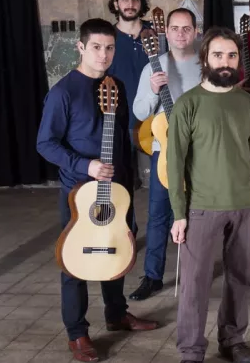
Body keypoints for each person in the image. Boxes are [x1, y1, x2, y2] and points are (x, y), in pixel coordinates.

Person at [37, 18, 159, 363]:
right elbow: (45, 143)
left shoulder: (115, 85)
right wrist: (85, 165)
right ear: (81, 47)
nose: (103, 55)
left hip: (116, 189)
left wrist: (127, 183)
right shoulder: (63, 92)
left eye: (109, 48)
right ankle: (77, 332)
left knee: (115, 249)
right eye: (96, 47)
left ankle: (116, 314)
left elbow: (121, 138)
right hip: (78, 192)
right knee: (74, 261)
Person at [168, 27, 250, 363]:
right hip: (201, 207)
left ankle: (232, 340)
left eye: (231, 55)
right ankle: (191, 350)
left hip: (246, 204)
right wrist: (179, 214)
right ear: (205, 59)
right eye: (218, 55)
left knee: (240, 278)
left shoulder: (247, 103)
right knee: (194, 283)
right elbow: (174, 164)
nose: (225, 62)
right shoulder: (188, 104)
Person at [128, 8, 200, 301]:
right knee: (158, 214)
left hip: (199, 152)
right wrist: (153, 90)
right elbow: (139, 112)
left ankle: (195, 273)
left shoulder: (206, 64)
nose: (181, 34)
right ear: (166, 32)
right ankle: (152, 276)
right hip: (165, 152)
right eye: (175, 28)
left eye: (186, 28)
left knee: (197, 213)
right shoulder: (152, 67)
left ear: (195, 32)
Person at [105, 0, 153, 133]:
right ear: (115, 4)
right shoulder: (107, 37)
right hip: (119, 122)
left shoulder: (157, 33)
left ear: (141, 4)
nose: (130, 4)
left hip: (154, 120)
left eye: (135, 0)